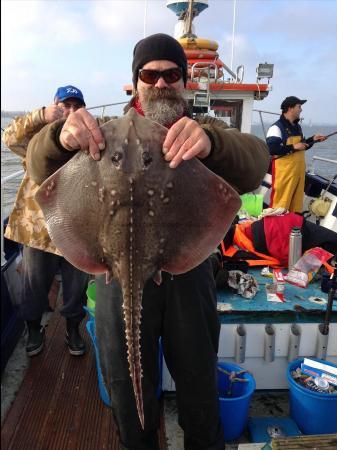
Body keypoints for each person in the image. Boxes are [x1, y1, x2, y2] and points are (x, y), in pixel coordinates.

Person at [26, 34, 269, 450]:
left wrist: (213, 144)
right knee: (126, 389)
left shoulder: (203, 130)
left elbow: (256, 161)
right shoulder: (98, 134)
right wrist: (59, 138)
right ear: (136, 81)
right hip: (113, 274)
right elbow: (36, 164)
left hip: (187, 271)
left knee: (197, 383)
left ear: (184, 82)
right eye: (149, 74)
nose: (160, 83)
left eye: (171, 74)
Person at [2, 85, 89, 357]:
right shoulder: (37, 140)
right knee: (33, 287)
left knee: (77, 288)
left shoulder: (89, 142)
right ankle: (34, 329)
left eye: (77, 106)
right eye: (64, 106)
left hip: (77, 231)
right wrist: (40, 116)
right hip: (39, 231)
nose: (70, 112)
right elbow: (9, 137)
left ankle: (73, 329)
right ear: (54, 107)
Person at [266, 96, 327, 213]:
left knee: (296, 208)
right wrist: (293, 146)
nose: (301, 110)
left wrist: (313, 139)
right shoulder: (276, 128)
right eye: (299, 107)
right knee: (279, 206)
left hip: (298, 175)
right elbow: (271, 148)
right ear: (290, 108)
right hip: (284, 175)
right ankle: (275, 229)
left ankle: (293, 230)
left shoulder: (297, 127)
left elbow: (302, 146)